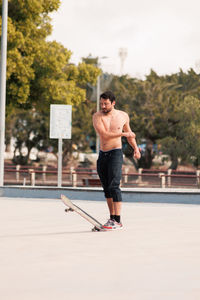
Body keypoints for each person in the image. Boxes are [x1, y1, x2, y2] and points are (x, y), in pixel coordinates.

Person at [93, 91, 141, 230]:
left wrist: (136, 149)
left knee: (114, 185)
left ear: (113, 103)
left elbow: (130, 135)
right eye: (101, 103)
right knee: (107, 188)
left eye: (106, 103)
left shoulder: (123, 116)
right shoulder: (97, 116)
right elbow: (104, 135)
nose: (103, 106)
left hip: (115, 153)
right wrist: (123, 134)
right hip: (103, 154)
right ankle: (112, 218)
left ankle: (118, 220)